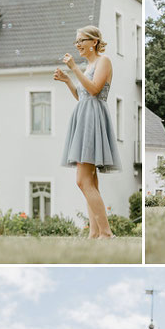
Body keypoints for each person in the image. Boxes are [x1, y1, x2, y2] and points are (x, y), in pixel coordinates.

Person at [56, 25, 120, 238]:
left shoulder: (104, 61)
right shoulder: (89, 65)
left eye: (81, 40)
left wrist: (74, 68)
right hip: (84, 117)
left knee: (82, 181)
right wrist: (68, 81)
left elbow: (94, 90)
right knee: (90, 181)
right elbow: (82, 95)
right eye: (76, 42)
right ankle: (95, 233)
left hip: (93, 119)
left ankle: (106, 232)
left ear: (94, 42)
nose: (77, 45)